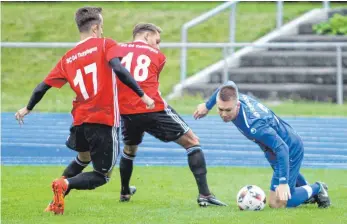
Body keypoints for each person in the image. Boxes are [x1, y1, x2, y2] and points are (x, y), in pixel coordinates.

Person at [14, 7, 155, 215]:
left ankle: (55, 201)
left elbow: (42, 86)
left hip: (80, 120)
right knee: (102, 175)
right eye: (102, 27)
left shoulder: (68, 57)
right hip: (103, 119)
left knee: (83, 158)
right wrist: (142, 94)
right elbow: (117, 67)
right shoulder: (106, 44)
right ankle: (65, 185)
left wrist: (27, 108)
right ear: (96, 27)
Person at [113, 23, 227, 206]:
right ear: (147, 36)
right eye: (156, 41)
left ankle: (124, 192)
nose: (157, 46)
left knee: (129, 149)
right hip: (152, 108)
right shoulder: (158, 56)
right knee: (192, 141)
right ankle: (205, 194)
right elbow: (149, 82)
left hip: (125, 111)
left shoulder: (116, 49)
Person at [193, 81, 331, 209]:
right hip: (271, 148)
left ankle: (318, 188)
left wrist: (283, 183)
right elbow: (228, 84)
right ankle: (306, 193)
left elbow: (282, 149)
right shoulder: (233, 94)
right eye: (220, 109)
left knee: (278, 202)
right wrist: (207, 105)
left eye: (228, 110)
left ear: (238, 104)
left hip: (288, 148)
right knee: (288, 186)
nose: (223, 114)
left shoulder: (254, 125)